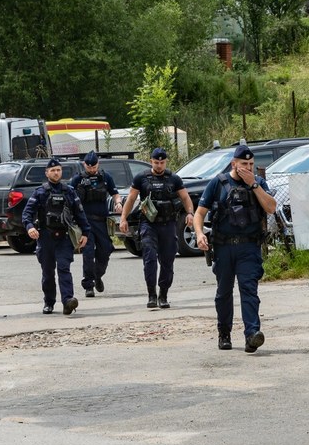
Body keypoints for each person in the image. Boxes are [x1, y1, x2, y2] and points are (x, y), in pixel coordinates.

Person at [193, 144, 277, 353]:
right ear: (233, 163)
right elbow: (199, 213)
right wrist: (199, 233)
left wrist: (254, 186)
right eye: (243, 164)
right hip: (223, 247)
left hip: (249, 247)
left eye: (250, 164)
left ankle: (252, 334)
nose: (248, 168)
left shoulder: (259, 183)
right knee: (223, 292)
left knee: (249, 289)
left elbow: (271, 207)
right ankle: (224, 333)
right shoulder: (218, 183)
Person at [119, 147, 193, 310]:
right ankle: (151, 294)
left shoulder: (173, 178)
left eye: (162, 162)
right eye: (156, 162)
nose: (159, 165)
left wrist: (190, 213)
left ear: (166, 162)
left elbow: (185, 197)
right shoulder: (142, 178)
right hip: (149, 224)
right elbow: (131, 198)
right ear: (151, 161)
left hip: (168, 225)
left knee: (167, 261)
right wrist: (123, 218)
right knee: (150, 259)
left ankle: (163, 295)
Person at [22, 158, 91, 315]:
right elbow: (27, 214)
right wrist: (30, 227)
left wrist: (85, 233)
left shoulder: (69, 191)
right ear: (47, 173)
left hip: (64, 238)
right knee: (48, 273)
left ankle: (68, 301)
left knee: (64, 269)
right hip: (46, 238)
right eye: (52, 170)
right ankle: (49, 302)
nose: (56, 172)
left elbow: (80, 214)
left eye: (58, 170)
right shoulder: (40, 192)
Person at [70, 150, 121, 298]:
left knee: (106, 250)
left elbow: (115, 193)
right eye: (89, 167)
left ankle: (97, 275)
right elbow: (70, 198)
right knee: (88, 253)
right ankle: (88, 285)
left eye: (94, 167)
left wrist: (118, 203)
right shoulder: (77, 180)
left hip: (101, 221)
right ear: (84, 164)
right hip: (85, 223)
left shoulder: (105, 177)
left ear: (98, 164)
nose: (91, 169)